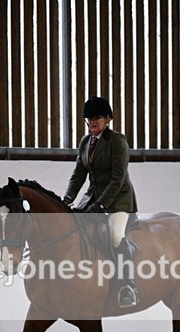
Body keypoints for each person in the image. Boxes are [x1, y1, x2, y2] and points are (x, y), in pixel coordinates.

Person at [63, 96, 139, 308]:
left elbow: (118, 179)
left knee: (115, 235)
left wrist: (101, 205)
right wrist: (68, 198)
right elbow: (78, 174)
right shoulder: (85, 142)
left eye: (97, 118)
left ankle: (128, 285)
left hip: (119, 201)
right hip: (92, 198)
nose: (92, 122)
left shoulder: (118, 141)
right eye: (89, 118)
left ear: (107, 119)